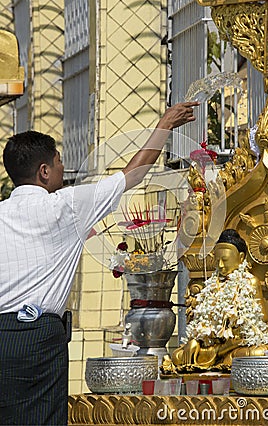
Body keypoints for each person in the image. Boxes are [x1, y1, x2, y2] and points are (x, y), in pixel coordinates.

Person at [0, 100, 198, 425]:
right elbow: (133, 172)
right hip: (39, 339)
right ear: (44, 171)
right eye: (59, 162)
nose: (64, 170)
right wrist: (165, 123)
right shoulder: (67, 205)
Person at [169, 229, 268, 373]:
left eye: (225, 260)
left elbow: (263, 318)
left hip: (237, 344)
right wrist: (195, 340)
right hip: (213, 345)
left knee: (259, 353)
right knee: (178, 356)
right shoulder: (212, 284)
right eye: (217, 260)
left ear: (241, 257)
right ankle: (216, 355)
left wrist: (240, 323)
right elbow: (201, 322)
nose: (220, 265)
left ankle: (216, 356)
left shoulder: (250, 281)